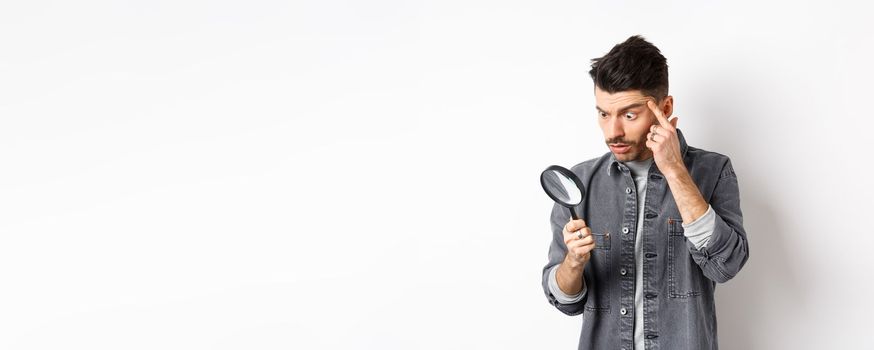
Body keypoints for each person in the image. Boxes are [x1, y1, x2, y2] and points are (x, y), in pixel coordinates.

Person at [541, 35, 749, 350]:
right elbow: (565, 301)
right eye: (603, 114)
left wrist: (674, 170)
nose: (613, 132)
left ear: (664, 108)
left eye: (629, 114)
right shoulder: (580, 183)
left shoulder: (713, 171)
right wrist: (573, 262)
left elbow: (725, 265)